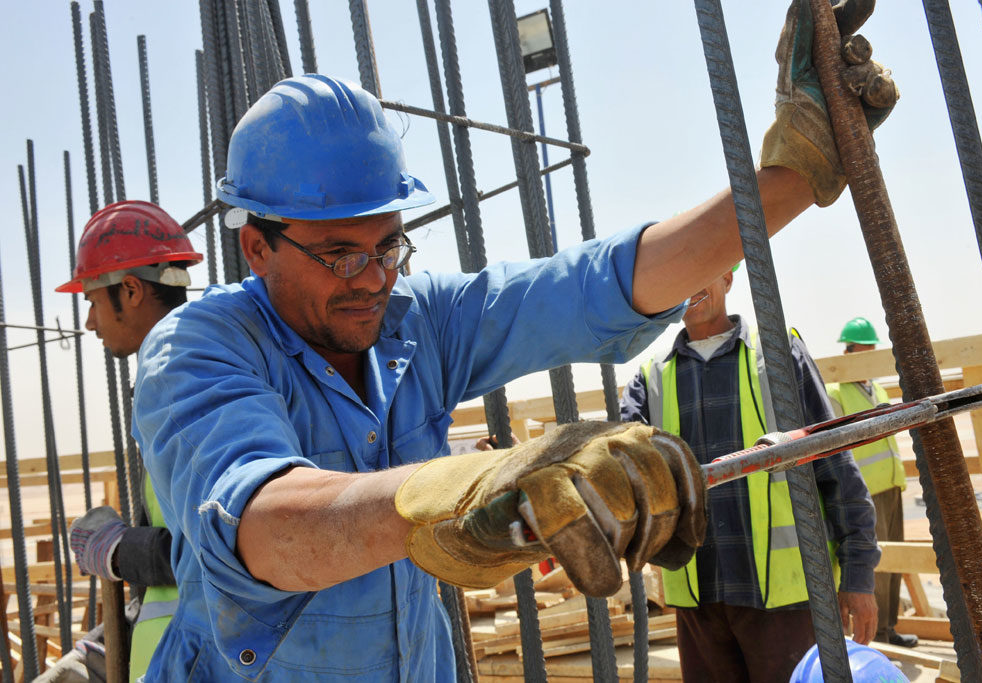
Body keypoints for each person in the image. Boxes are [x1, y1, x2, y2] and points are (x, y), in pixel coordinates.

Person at [130, 1, 897, 678]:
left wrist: (792, 179)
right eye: (339, 254)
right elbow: (265, 527)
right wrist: (459, 491)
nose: (371, 278)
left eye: (389, 245)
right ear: (256, 248)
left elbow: (585, 287)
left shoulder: (414, 322)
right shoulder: (199, 348)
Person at [619, 264, 880, 682]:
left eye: (704, 269)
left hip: (784, 598)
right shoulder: (651, 378)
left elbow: (834, 462)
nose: (690, 285)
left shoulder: (777, 354)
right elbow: (619, 470)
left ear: (728, 278)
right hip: (699, 598)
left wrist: (858, 574)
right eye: (678, 276)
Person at [58, 200, 203, 681]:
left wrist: (120, 551)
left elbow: (222, 550)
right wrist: (103, 645)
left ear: (132, 290)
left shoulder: (187, 381)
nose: (90, 322)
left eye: (93, 301)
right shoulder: (176, 373)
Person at [826, 316, 917, 648]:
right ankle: (875, 637)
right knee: (873, 564)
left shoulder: (877, 389)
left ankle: (888, 629)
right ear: (848, 353)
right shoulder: (835, 393)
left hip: (891, 486)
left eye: (871, 350)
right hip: (864, 491)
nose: (868, 357)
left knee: (893, 563)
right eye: (862, 351)